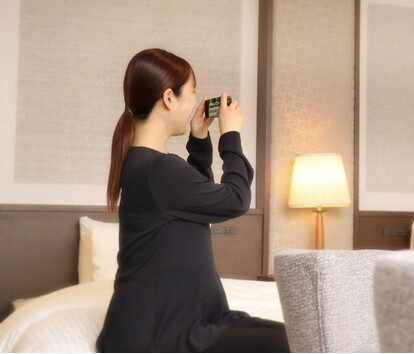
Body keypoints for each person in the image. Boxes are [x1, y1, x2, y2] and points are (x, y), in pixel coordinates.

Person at [97, 49, 289, 353]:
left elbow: (195, 202)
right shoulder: (159, 168)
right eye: (192, 92)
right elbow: (236, 200)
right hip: (159, 335)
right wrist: (231, 136)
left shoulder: (146, 163)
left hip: (162, 323)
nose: (195, 101)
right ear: (169, 98)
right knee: (298, 340)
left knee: (298, 334)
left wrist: (199, 138)